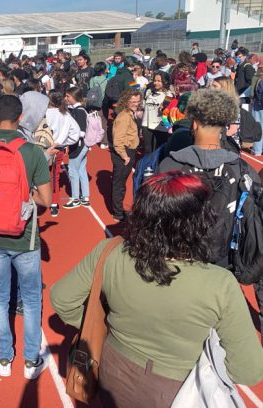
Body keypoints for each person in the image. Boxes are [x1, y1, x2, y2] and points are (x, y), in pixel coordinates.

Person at [51, 172, 263, 407]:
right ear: (201, 222)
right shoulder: (221, 285)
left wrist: (105, 327)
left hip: (113, 369)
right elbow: (248, 371)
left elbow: (62, 299)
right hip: (177, 389)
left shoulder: (111, 252)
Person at [157, 89, 263, 336]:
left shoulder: (170, 164)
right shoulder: (241, 168)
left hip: (179, 259)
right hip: (224, 262)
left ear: (193, 123)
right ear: (226, 125)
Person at [0, 95, 52, 380]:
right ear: (20, 118)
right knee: (30, 298)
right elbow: (46, 200)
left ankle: (3, 357)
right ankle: (30, 360)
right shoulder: (31, 151)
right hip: (24, 236)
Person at [110, 89, 142, 221]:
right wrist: (125, 156)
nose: (135, 104)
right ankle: (117, 213)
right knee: (119, 184)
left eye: (137, 101)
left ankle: (118, 210)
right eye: (133, 101)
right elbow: (118, 140)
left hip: (128, 150)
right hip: (124, 152)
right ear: (126, 101)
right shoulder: (124, 117)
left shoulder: (131, 113)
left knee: (121, 183)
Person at [63, 87, 90, 208]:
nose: (66, 98)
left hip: (79, 146)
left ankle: (75, 199)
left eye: (68, 96)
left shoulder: (79, 111)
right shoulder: (78, 110)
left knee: (73, 171)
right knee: (81, 170)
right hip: (82, 146)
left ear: (74, 97)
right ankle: (85, 197)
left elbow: (82, 132)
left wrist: (68, 136)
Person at [141, 72, 174, 154]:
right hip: (146, 124)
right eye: (155, 80)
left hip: (160, 126)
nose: (156, 83)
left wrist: (164, 106)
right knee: (147, 148)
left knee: (158, 149)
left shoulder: (168, 94)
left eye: (159, 81)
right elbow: (140, 96)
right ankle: (146, 165)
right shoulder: (148, 91)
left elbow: (167, 108)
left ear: (165, 82)